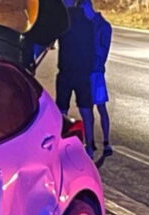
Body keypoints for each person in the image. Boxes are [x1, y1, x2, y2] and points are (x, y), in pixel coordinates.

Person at [56, 1, 96, 158]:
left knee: (62, 111)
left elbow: (49, 40)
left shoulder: (64, 22)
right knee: (86, 109)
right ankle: (90, 146)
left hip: (66, 72)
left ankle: (61, 146)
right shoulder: (88, 21)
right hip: (83, 72)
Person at [80, 0, 113, 156]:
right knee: (87, 109)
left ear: (87, 6)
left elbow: (102, 51)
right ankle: (90, 144)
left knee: (100, 107)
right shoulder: (87, 25)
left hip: (97, 73)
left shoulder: (103, 26)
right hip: (87, 72)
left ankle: (106, 142)